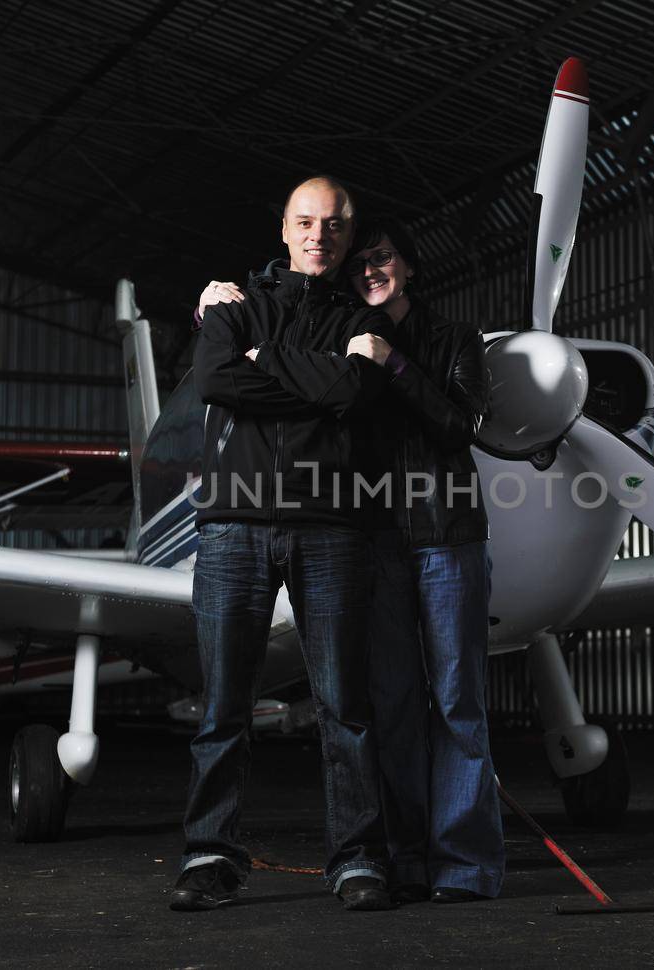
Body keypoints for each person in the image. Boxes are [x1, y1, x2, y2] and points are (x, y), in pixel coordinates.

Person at [196, 215, 504, 904]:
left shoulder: (453, 340)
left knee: (457, 702)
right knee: (389, 703)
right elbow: (304, 385)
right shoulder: (339, 333)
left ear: (411, 267)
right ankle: (402, 857)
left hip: (446, 534)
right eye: (360, 259)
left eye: (384, 257)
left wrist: (388, 361)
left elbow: (458, 425)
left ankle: (464, 865)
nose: (370, 268)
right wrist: (225, 319)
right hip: (372, 540)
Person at [171, 176, 395, 913]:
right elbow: (214, 378)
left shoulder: (362, 319)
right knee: (223, 705)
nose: (318, 235)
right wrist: (329, 378)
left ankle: (357, 859)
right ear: (285, 229)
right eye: (306, 221)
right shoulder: (235, 306)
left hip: (332, 527)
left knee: (344, 706)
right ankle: (210, 854)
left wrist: (265, 370)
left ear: (348, 233)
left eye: (334, 224)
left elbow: (358, 394)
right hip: (233, 525)